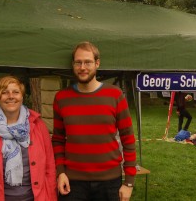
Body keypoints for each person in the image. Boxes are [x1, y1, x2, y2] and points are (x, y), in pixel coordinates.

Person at [52, 41, 137, 201]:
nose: (83, 67)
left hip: (110, 182)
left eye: (88, 62)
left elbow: (128, 139)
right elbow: (57, 140)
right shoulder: (61, 98)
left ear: (97, 63)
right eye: (78, 62)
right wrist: (60, 172)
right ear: (73, 64)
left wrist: (129, 182)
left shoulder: (115, 95)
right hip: (72, 182)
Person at [0, 76, 57, 201]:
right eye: (4, 92)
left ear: (22, 96)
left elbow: (50, 168)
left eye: (16, 92)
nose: (11, 96)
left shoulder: (38, 126)